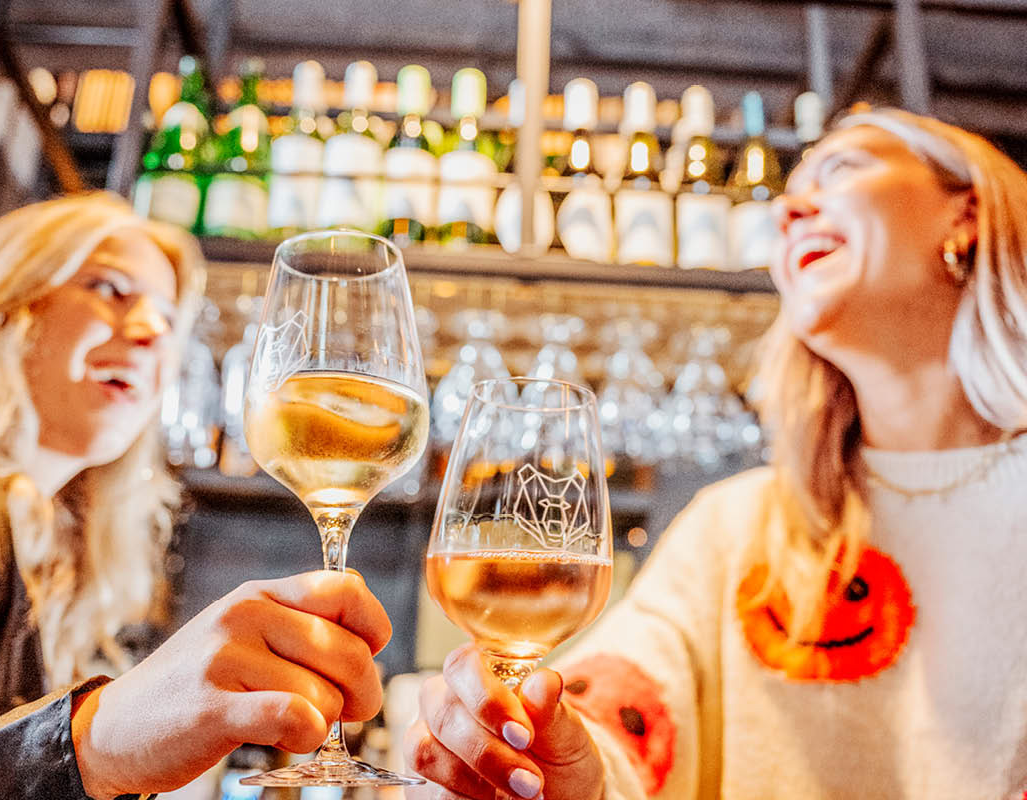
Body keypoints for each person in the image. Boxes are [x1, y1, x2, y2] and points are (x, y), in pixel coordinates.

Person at [406, 108, 1027, 799]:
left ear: (965, 215)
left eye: (843, 168)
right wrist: (557, 763)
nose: (790, 207)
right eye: (791, 192)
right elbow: (622, 709)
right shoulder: (737, 528)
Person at [0, 193, 391, 799]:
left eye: (168, 320)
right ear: (4, 305)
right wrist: (95, 740)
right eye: (110, 289)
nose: (151, 332)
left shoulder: (39, 553)